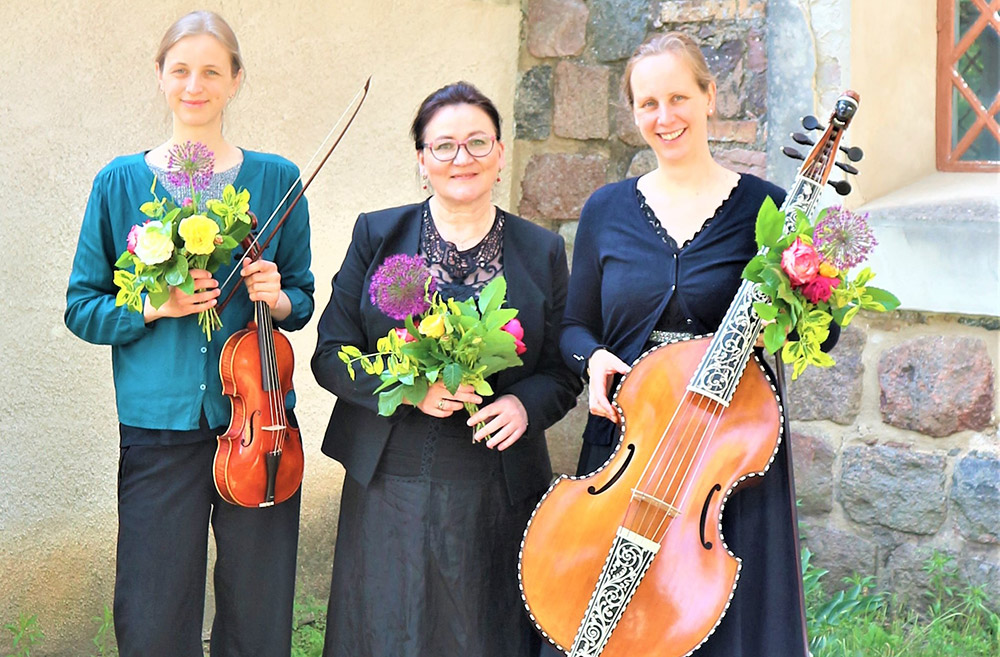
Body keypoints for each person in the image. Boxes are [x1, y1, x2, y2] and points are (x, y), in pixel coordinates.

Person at [556, 33, 837, 657]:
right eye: (647, 103)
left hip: (724, 448)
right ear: (633, 113)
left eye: (679, 97)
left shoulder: (767, 209)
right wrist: (593, 359)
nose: (665, 117)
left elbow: (820, 327)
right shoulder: (606, 209)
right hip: (631, 435)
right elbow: (574, 328)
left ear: (709, 98)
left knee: (721, 613)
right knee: (604, 617)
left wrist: (784, 324)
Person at [64, 11, 314, 657]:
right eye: (180, 70)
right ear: (159, 77)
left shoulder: (278, 179)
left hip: (261, 425)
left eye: (211, 71)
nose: (194, 85)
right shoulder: (120, 182)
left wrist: (279, 295)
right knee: (153, 607)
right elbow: (82, 307)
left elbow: (304, 297)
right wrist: (154, 304)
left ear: (235, 81)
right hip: (159, 426)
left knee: (258, 606)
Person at [311, 81, 581, 657]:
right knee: (387, 625)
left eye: (479, 143)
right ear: (421, 160)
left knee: (483, 630)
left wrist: (522, 405)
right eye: (445, 146)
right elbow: (331, 354)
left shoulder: (542, 250)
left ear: (501, 155)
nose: (463, 158)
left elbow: (562, 371)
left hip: (498, 487)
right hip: (388, 479)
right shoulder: (376, 234)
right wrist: (407, 388)